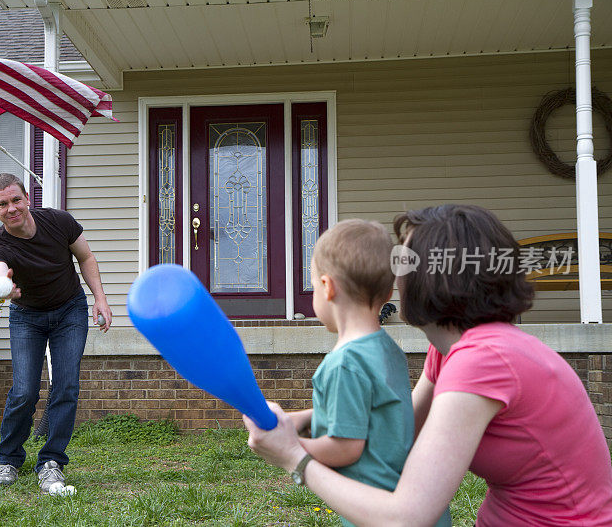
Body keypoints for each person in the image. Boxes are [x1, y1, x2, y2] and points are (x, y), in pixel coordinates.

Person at [244, 204, 612, 526]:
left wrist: (294, 457)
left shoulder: (482, 361)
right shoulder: (454, 348)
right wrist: (306, 419)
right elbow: (404, 426)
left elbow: (406, 518)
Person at [289, 219, 449, 527]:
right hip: (416, 504)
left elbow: (346, 447)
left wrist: (290, 445)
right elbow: (371, 411)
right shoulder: (387, 349)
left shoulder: (344, 363)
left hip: (378, 512)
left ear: (327, 287)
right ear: (389, 292)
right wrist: (307, 417)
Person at [0, 173, 112, 493]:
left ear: (27, 199)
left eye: (15, 200)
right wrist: (4, 287)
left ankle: (52, 462)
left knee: (66, 387)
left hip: (70, 311)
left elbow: (86, 256)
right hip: (28, 317)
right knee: (25, 392)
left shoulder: (58, 221)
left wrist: (100, 299)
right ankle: (8, 460)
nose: (11, 208)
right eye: (3, 204)